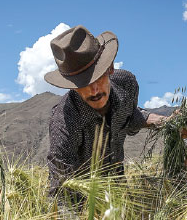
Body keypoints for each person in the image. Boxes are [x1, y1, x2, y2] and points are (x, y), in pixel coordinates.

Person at [44, 25, 168, 198]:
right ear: (72, 85)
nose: (94, 90)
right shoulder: (65, 120)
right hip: (83, 203)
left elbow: (129, 116)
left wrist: (164, 122)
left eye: (98, 77)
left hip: (118, 194)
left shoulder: (126, 84)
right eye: (83, 83)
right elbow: (61, 188)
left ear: (110, 67)